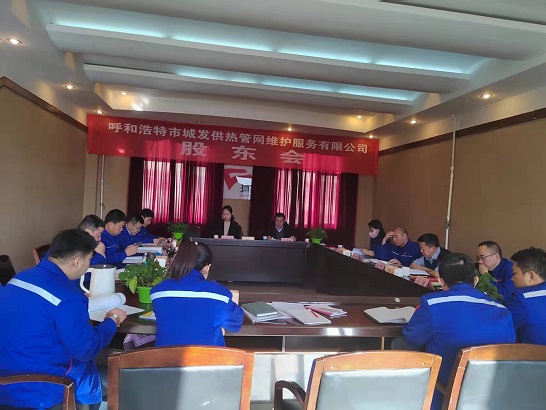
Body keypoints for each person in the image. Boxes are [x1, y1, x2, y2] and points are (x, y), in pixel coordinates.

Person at [0, 229, 127, 409]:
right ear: (77, 261)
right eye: (89, 259)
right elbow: (86, 349)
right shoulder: (68, 297)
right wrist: (112, 321)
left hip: (6, 379)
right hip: (43, 387)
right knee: (90, 368)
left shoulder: (18, 278)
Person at [396, 253, 515, 410]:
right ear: (475, 280)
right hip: (489, 392)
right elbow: (508, 349)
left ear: (441, 280)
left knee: (399, 343)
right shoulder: (502, 310)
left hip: (444, 389)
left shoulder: (432, 303)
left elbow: (412, 336)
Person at [151, 239, 243, 347]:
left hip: (166, 357)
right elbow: (236, 322)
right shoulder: (220, 295)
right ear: (207, 267)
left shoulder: (158, 292)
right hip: (207, 357)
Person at [504, 247, 546, 344]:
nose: (512, 279)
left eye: (514, 273)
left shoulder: (521, 298)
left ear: (531, 276)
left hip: (535, 353)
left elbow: (500, 327)